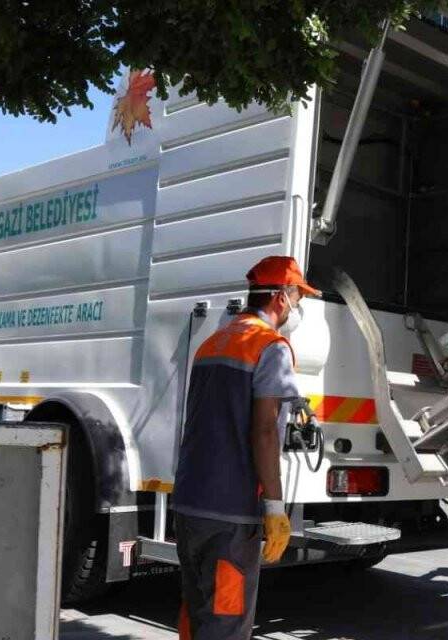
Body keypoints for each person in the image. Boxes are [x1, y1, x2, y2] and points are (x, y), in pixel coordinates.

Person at [172, 256, 315, 639]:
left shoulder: (212, 342)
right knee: (226, 622)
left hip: (189, 504)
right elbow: (265, 430)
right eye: (298, 297)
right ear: (282, 297)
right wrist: (274, 507)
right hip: (230, 513)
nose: (297, 307)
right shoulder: (270, 346)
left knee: (196, 614)